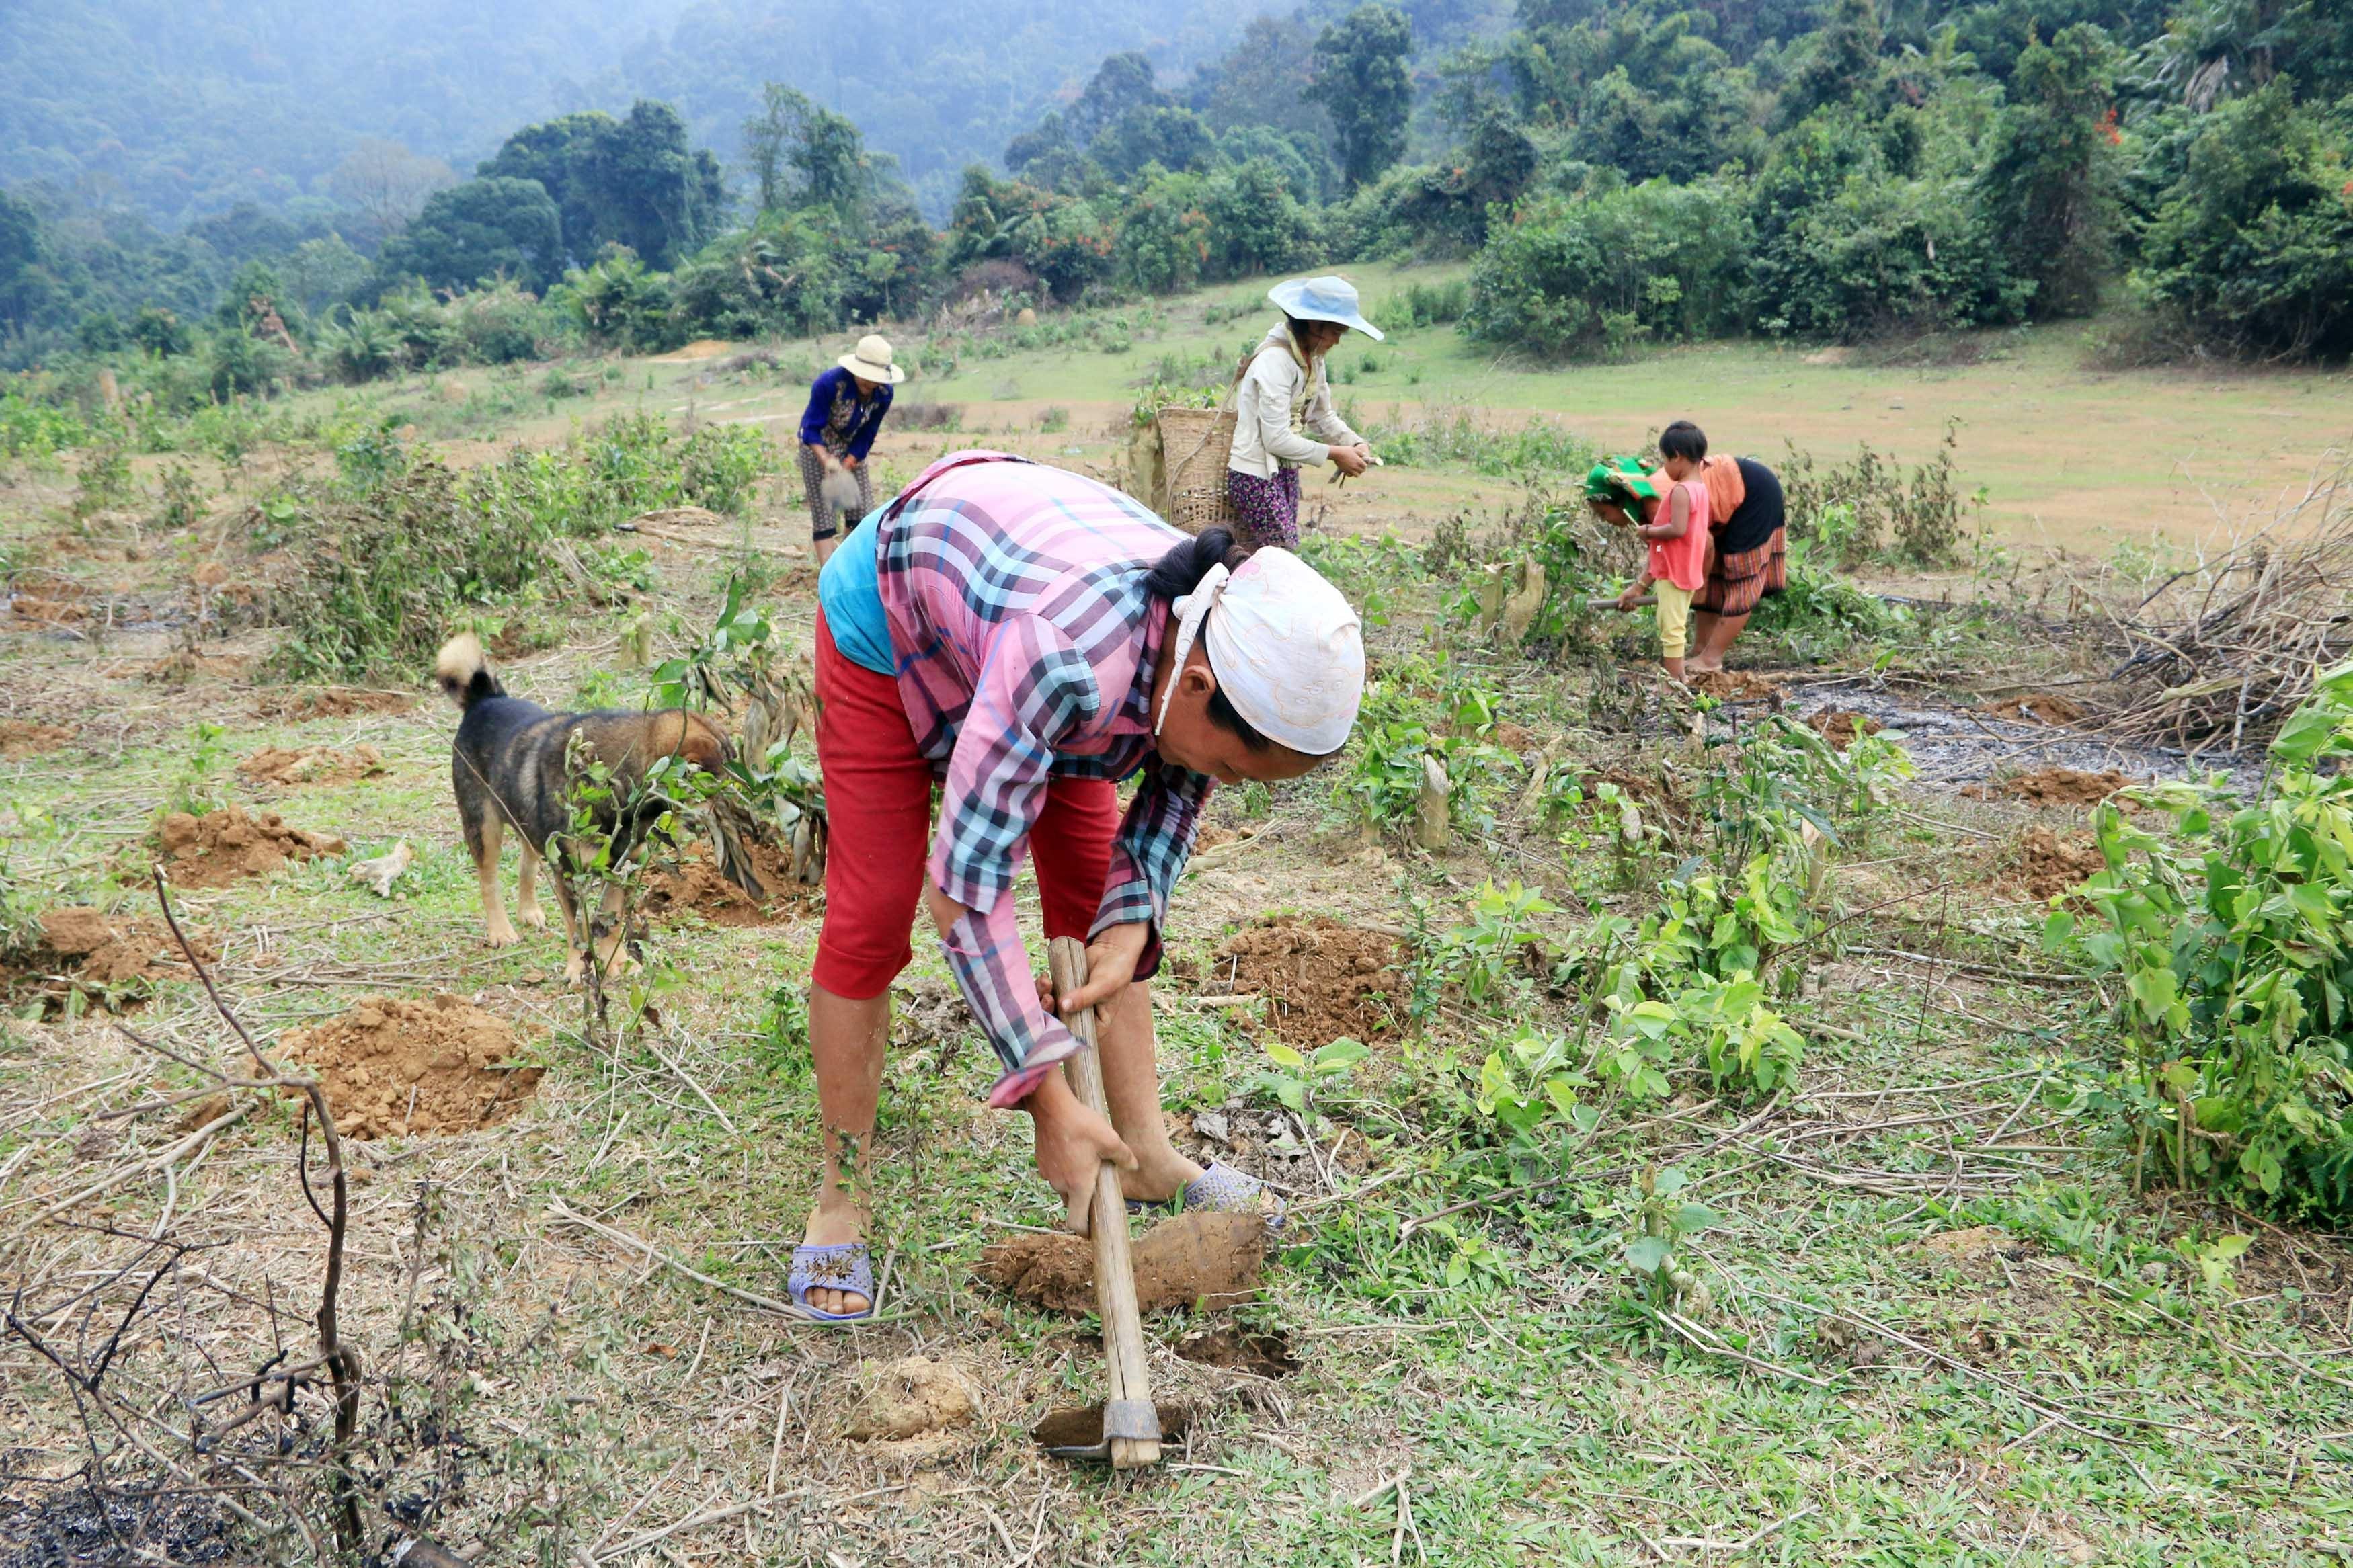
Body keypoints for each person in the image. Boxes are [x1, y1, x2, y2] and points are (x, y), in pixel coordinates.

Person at [792, 449, 1367, 1319]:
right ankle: (841, 1194)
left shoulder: (1206, 639)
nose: (1233, 788)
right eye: (1243, 769)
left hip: (1022, 618)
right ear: (1198, 685)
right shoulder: (1070, 660)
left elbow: (1179, 784)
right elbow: (964, 886)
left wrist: (1133, 918)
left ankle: (1145, 1150)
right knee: (872, 916)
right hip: (893, 620)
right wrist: (1045, 1093)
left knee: (1101, 899)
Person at [1225, 275, 1380, 549]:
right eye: (1335, 333)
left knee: (1269, 556)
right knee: (1284, 554)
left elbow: (1322, 415)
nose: (1337, 342)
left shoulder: (1313, 360)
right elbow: (1275, 439)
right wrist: (1335, 454)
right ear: (1314, 325)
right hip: (1255, 476)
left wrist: (1353, 443)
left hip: (1284, 471)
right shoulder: (1275, 362)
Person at [1614, 422, 1711, 682]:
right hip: (1684, 568)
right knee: (1672, 624)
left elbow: (1677, 529)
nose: (1664, 468)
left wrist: (1649, 531)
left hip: (1675, 571)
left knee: (1672, 630)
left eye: (1665, 460)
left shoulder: (1681, 491)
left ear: (1678, 456)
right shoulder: (1700, 489)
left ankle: (1675, 683)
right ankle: (1679, 680)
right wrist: (1641, 585)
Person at [797, 333, 902, 565]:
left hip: (852, 450)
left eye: (875, 380)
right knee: (825, 513)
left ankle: (849, 566)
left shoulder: (884, 394)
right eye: (865, 379)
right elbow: (810, 428)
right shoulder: (829, 384)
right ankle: (828, 573)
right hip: (818, 447)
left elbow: (868, 434)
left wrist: (847, 464)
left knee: (862, 512)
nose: (870, 385)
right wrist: (827, 461)